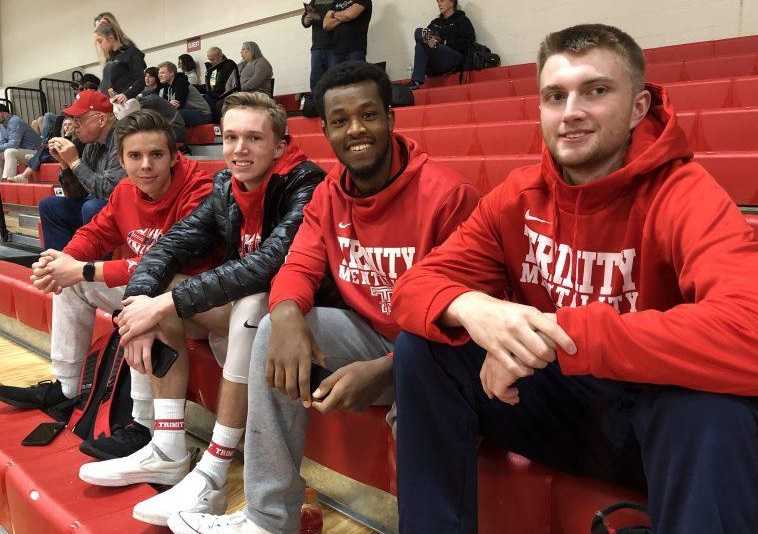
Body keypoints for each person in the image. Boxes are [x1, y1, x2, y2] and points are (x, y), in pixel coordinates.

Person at [389, 23, 758, 534]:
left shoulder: (684, 193)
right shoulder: (517, 197)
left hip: (654, 427)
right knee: (423, 350)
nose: (571, 113)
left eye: (596, 91)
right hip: (561, 411)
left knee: (709, 410)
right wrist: (478, 310)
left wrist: (559, 336)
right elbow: (413, 288)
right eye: (554, 96)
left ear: (638, 108)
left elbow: (749, 329)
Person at [166, 61, 480, 534]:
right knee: (271, 328)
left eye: (368, 115)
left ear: (390, 119)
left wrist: (385, 370)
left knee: (419, 387)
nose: (356, 129)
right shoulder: (328, 194)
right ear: (326, 130)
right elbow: (298, 265)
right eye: (340, 121)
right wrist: (288, 311)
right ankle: (269, 518)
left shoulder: (447, 195)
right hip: (369, 336)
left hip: (434, 356)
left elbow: (466, 319)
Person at [76, 92, 326, 528]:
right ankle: (168, 449)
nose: (239, 149)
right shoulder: (227, 186)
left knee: (241, 299)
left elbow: (267, 266)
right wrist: (138, 309)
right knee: (160, 295)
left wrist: (163, 303)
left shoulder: (305, 183)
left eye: (253, 138)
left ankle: (212, 470)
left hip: (297, 319)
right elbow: (167, 247)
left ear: (280, 145)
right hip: (246, 318)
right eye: (230, 138)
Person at [0, 110, 214, 448]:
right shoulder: (126, 191)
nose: (146, 165)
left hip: (198, 304)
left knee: (143, 298)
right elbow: (95, 233)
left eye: (156, 155)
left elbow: (167, 265)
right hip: (149, 290)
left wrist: (84, 269)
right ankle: (67, 388)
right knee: (73, 279)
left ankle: (142, 424)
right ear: (122, 159)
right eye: (135, 156)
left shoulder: (199, 190)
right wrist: (62, 260)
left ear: (174, 156)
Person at [38, 90, 126, 251]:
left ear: (101, 119)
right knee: (49, 206)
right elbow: (77, 194)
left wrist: (75, 162)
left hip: (123, 207)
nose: (73, 125)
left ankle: (91, 269)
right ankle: (59, 264)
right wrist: (65, 164)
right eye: (72, 119)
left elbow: (109, 191)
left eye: (78, 119)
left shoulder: (123, 138)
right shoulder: (91, 144)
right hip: (95, 204)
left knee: (93, 207)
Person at [407, 0, 476, 90]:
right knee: (419, 33)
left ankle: (435, 44)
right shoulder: (435, 23)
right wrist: (433, 40)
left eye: (442, 1)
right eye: (438, 1)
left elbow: (468, 41)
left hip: (453, 59)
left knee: (425, 42)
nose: (439, 4)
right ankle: (416, 81)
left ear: (452, 2)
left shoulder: (462, 20)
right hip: (437, 59)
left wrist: (444, 42)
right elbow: (423, 37)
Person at [95, 16, 147, 104]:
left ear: (111, 38)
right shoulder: (110, 59)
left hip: (125, 105)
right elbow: (106, 83)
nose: (100, 46)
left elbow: (141, 80)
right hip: (111, 103)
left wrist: (126, 94)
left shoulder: (132, 52)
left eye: (101, 41)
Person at [157, 62, 213, 127]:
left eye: (162, 73)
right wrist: (168, 104)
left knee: (175, 115)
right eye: (159, 73)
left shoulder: (181, 82)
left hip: (203, 114)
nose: (159, 75)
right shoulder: (167, 86)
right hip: (189, 112)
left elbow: (177, 105)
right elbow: (167, 106)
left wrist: (167, 105)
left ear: (172, 73)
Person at [0, 104, 43, 180]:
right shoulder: (2, 125)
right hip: (23, 152)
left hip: (36, 153)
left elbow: (13, 144)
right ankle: (1, 183)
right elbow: (2, 143)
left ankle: (6, 181)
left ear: (2, 113)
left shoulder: (15, 121)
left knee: (10, 152)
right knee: (3, 153)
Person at [302, 0, 335, 93]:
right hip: (317, 47)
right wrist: (306, 20)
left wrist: (318, 17)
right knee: (315, 81)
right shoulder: (314, 1)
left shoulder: (338, 2)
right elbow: (305, 17)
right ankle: (317, 106)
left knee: (334, 79)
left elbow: (334, 18)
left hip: (334, 46)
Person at [204, 47, 238, 111]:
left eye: (212, 59)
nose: (211, 62)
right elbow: (211, 84)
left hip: (223, 93)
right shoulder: (213, 68)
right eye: (209, 59)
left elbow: (229, 85)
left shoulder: (229, 65)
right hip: (214, 93)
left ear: (220, 56)